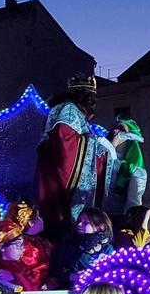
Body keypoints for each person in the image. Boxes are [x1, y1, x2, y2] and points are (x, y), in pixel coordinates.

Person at [36, 73, 118, 235]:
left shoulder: (66, 111)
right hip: (60, 183)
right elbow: (66, 141)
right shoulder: (69, 110)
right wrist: (103, 144)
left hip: (51, 176)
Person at [52, 207, 115, 284]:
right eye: (79, 221)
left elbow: (113, 273)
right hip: (71, 290)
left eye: (85, 222)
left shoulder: (107, 249)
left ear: (101, 227)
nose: (79, 224)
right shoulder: (68, 245)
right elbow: (55, 268)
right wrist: (71, 276)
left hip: (99, 291)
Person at [105, 115, 147, 218]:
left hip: (120, 217)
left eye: (121, 128)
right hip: (100, 213)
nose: (116, 130)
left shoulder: (137, 169)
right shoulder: (104, 150)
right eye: (115, 127)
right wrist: (113, 145)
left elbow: (134, 201)